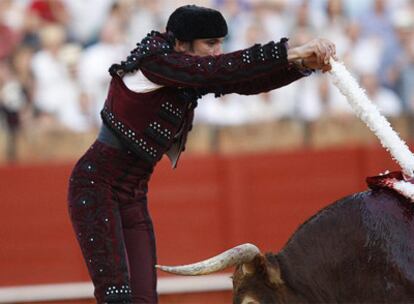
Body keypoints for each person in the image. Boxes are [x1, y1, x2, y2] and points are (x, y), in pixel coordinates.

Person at [67, 4, 336, 304]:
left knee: (143, 300)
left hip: (132, 196)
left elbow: (242, 80)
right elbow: (219, 71)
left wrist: (303, 65)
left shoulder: (185, 72)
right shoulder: (157, 62)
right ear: (181, 44)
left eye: (220, 43)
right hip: (96, 187)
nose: (217, 51)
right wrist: (293, 52)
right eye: (210, 43)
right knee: (117, 298)